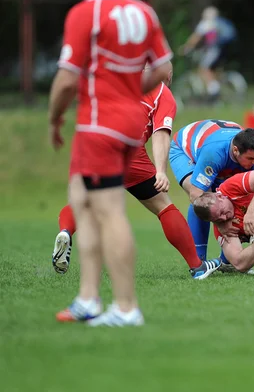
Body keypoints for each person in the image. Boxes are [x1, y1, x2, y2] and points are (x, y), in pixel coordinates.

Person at [48, 0, 173, 326]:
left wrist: (54, 118)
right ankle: (88, 299)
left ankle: (125, 307)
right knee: (81, 199)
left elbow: (67, 79)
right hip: (129, 121)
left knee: (109, 210)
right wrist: (131, 87)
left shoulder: (84, 12)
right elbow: (163, 67)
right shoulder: (142, 10)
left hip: (99, 123)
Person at [51, 71, 222, 281]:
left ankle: (65, 232)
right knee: (163, 206)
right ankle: (197, 267)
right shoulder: (161, 93)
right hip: (126, 151)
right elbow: (161, 134)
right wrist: (160, 170)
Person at [169, 120, 254, 270]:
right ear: (236, 150)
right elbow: (198, 195)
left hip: (217, 155)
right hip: (184, 151)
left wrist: (251, 212)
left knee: (236, 203)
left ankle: (227, 262)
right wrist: (221, 224)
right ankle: (198, 261)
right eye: (250, 159)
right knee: (204, 200)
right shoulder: (214, 153)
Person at [179, 6, 237, 102]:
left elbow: (195, 38)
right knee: (213, 70)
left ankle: (214, 91)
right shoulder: (219, 23)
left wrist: (186, 48)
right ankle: (217, 88)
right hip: (225, 50)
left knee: (203, 69)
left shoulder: (206, 23)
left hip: (214, 50)